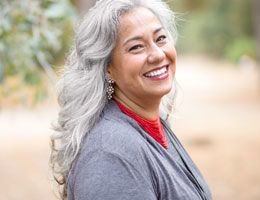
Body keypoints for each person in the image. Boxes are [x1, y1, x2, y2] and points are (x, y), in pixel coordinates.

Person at [50, 0, 212, 199]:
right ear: (107, 68)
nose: (158, 54)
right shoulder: (110, 155)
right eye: (136, 47)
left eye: (160, 38)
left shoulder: (153, 125)